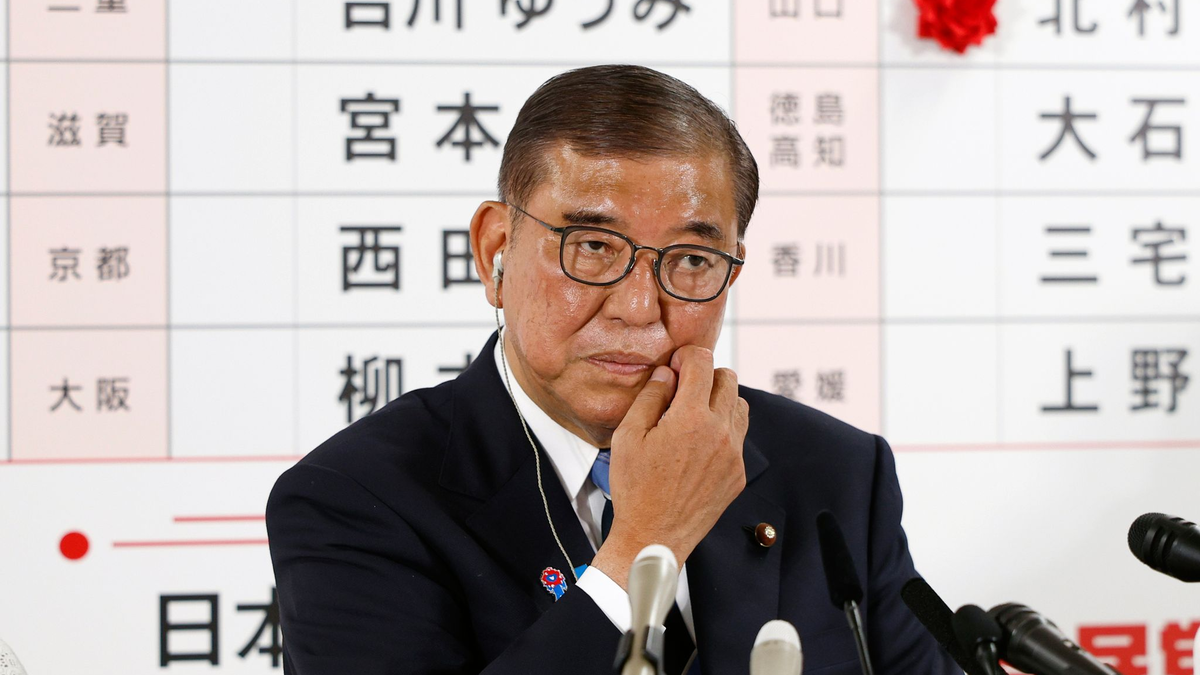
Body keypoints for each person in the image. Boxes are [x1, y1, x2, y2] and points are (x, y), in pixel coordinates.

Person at [266, 64, 958, 675]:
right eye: (592, 246)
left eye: (691, 260)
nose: (637, 306)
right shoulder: (354, 498)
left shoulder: (835, 471)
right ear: (495, 251)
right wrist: (644, 542)